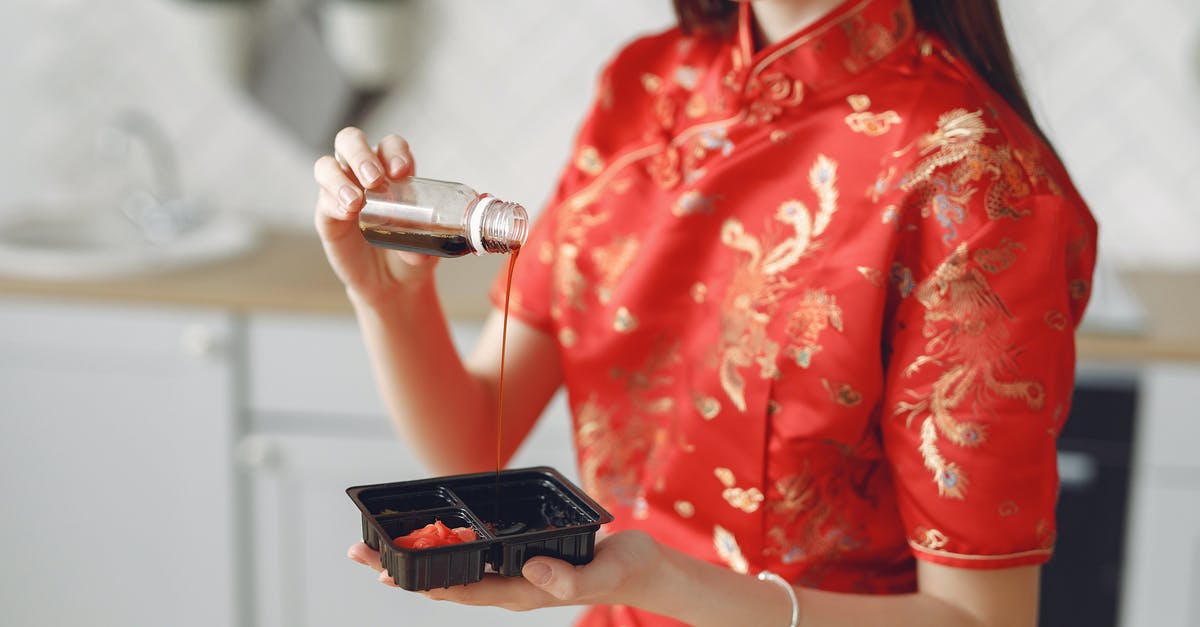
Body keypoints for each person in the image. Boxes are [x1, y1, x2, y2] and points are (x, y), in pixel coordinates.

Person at [311, 0, 1097, 624]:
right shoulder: (644, 84)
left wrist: (668, 584)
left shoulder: (978, 185)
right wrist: (387, 297)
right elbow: (476, 433)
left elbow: (979, 619)